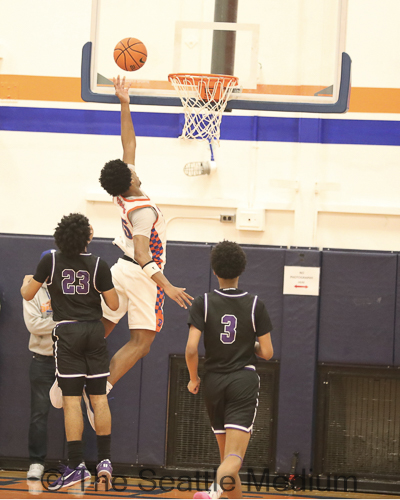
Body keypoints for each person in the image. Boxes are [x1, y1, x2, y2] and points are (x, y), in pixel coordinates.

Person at [98, 76, 193, 393]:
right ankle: (102, 388)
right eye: (131, 168)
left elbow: (129, 143)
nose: (134, 165)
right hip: (141, 274)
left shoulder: (122, 193)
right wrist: (167, 285)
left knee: (104, 327)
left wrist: (124, 103)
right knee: (142, 342)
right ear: (130, 179)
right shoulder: (142, 210)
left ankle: (67, 373)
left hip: (119, 269)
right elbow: (143, 255)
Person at [21, 213, 119, 491]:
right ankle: (105, 461)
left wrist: (28, 285)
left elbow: (28, 294)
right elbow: (112, 304)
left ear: (60, 236)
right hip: (93, 332)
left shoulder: (49, 261)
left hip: (67, 332)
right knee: (99, 398)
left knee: (72, 400)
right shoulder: (99, 263)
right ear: (88, 237)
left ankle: (77, 465)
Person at [185, 241, 274, 499]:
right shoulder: (255, 304)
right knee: (234, 457)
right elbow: (267, 352)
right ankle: (213, 493)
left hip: (213, 382)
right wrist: (250, 343)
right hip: (242, 381)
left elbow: (191, 349)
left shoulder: (203, 302)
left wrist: (193, 379)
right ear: (241, 270)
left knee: (227, 458)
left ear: (214, 271)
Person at [23, 250, 58, 482]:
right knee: (39, 414)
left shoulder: (70, 287)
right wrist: (66, 322)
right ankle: (36, 462)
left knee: (79, 411)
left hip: (71, 359)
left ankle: (78, 462)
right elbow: (34, 325)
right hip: (42, 360)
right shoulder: (32, 290)